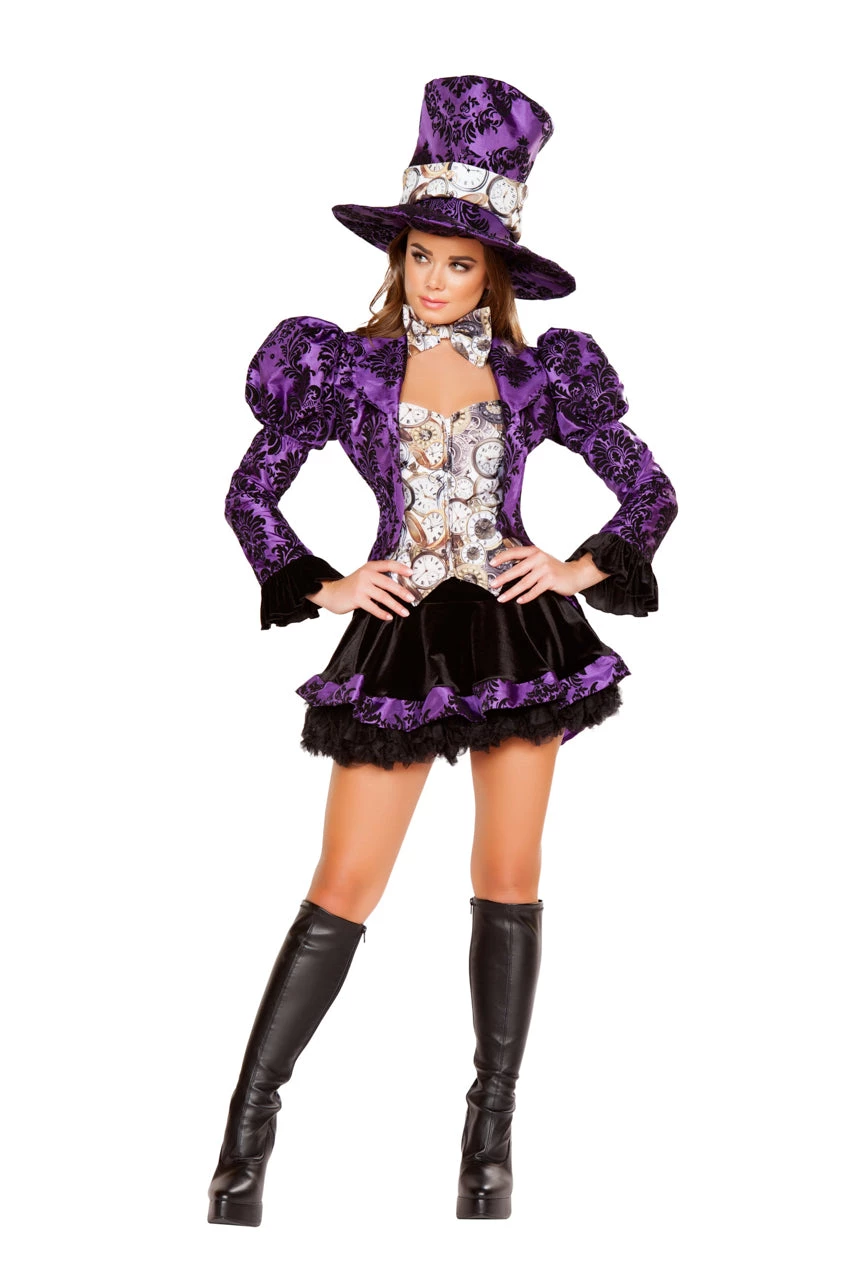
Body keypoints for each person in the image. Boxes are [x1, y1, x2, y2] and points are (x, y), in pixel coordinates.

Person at [208, 74, 678, 1226]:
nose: (432, 278)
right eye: (420, 255)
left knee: (507, 876)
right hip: (399, 642)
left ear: (492, 273)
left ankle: (487, 1147)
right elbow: (249, 493)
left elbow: (651, 489)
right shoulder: (346, 368)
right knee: (343, 884)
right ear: (399, 255)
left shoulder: (534, 373)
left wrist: (575, 566)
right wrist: (324, 581)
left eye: (457, 263)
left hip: (520, 635)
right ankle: (243, 1143)